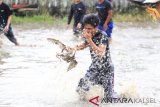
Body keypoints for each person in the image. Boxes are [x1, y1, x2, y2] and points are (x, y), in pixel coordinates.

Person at [68, 14, 114, 99]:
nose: (87, 30)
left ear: (96, 27)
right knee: (81, 88)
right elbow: (84, 45)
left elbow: (100, 53)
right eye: (85, 28)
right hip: (95, 68)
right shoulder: (89, 34)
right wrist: (73, 49)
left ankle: (122, 96)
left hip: (106, 69)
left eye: (89, 28)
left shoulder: (102, 35)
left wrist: (89, 40)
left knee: (109, 99)